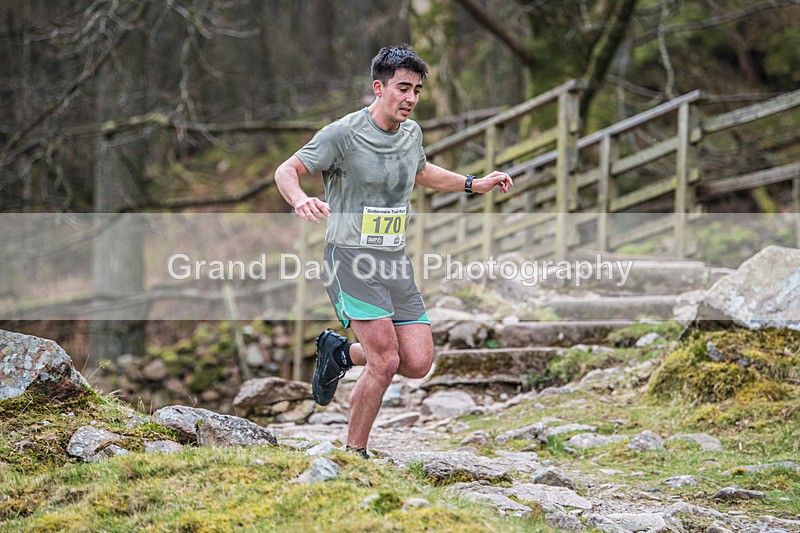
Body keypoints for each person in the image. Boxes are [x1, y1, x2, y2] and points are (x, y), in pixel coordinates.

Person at [274, 44, 512, 458]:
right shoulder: (343, 134)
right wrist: (299, 200)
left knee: (417, 362)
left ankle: (340, 353)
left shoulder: (411, 134)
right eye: (403, 88)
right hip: (349, 259)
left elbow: (422, 171)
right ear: (378, 87)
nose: (411, 99)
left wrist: (474, 183)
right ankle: (353, 455)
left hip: (393, 260)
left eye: (417, 90)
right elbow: (287, 169)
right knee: (384, 361)